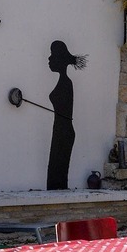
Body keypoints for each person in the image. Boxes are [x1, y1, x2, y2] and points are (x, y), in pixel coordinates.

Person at [46, 40, 86, 190]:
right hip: (60, 129)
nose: (49, 59)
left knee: (57, 173)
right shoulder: (63, 82)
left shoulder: (66, 83)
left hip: (63, 130)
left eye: (52, 55)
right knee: (55, 172)